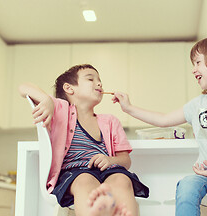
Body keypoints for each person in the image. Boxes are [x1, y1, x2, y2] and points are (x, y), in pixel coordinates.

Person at [112, 35, 207, 216]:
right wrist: (129, 108)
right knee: (186, 185)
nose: (194, 70)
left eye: (198, 62)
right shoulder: (198, 104)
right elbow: (163, 119)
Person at [19, 64, 149, 216]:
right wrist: (46, 100)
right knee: (84, 180)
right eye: (90, 79)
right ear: (69, 88)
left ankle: (111, 212)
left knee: (122, 180)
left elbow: (125, 160)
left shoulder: (111, 121)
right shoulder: (59, 110)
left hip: (109, 171)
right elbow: (24, 87)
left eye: (99, 80)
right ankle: (100, 212)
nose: (99, 83)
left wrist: (110, 160)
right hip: (75, 173)